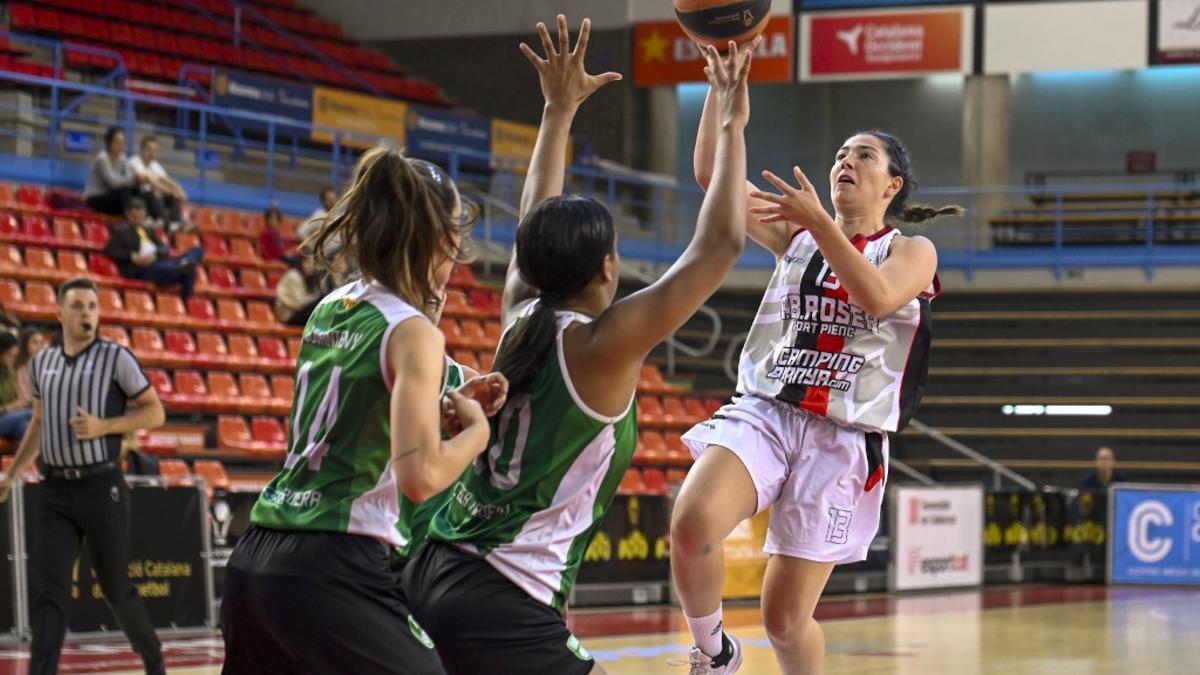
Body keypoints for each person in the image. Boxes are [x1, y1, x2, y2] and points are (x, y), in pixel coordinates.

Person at [403, 16, 753, 675]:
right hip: (501, 599)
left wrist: (557, 111)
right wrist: (733, 117)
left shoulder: (521, 313)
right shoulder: (600, 346)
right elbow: (720, 245)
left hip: (434, 567)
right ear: (605, 270)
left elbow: (536, 213)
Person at [669, 78, 962, 670]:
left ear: (892, 185)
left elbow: (877, 296)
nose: (845, 162)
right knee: (693, 522)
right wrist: (723, 97)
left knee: (783, 619)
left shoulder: (913, 251)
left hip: (842, 437)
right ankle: (714, 653)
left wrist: (820, 224)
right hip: (770, 410)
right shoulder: (798, 234)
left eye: (863, 156)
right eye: (839, 155)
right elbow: (711, 176)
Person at [219, 147, 507, 675]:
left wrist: (449, 388)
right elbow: (420, 478)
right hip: (332, 564)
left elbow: (361, 394)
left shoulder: (332, 305)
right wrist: (478, 434)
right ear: (439, 239)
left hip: (257, 555)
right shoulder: (412, 331)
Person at [0, 277, 167, 675]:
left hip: (101, 485)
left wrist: (104, 426)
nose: (86, 313)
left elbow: (155, 412)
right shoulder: (42, 363)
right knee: (50, 592)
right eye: (77, 306)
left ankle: (153, 658)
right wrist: (11, 474)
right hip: (55, 489)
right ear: (60, 313)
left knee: (115, 590)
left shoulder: (116, 358)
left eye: (92, 306)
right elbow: (38, 425)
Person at [102, 197, 205, 301]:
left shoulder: (149, 231)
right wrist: (131, 256)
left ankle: (185, 262)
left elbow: (164, 248)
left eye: (139, 215)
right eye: (133, 215)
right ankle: (186, 300)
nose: (136, 218)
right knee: (189, 271)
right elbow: (109, 250)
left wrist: (155, 255)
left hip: (159, 261)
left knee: (198, 250)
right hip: (145, 269)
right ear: (128, 214)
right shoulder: (121, 232)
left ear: (144, 215)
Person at [129, 134, 190, 231]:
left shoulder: (154, 165)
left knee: (170, 197)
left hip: (150, 198)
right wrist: (170, 191)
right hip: (136, 197)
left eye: (154, 151)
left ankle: (175, 222)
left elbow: (167, 179)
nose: (152, 153)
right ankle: (163, 221)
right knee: (152, 193)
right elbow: (150, 181)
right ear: (141, 149)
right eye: (148, 150)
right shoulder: (134, 161)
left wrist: (179, 190)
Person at [85, 127, 146, 216]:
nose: (120, 146)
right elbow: (113, 183)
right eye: (117, 143)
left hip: (112, 196)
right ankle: (129, 218)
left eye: (122, 143)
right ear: (109, 143)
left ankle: (147, 218)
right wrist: (134, 178)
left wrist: (138, 180)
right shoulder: (102, 158)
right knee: (124, 192)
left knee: (137, 191)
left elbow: (129, 177)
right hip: (96, 198)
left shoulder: (123, 158)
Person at [274, 246, 325, 326]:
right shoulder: (294, 276)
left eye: (314, 264)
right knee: (322, 300)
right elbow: (299, 303)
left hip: (300, 313)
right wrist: (314, 300)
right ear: (303, 263)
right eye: (309, 263)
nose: (312, 267)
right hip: (289, 315)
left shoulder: (312, 278)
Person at [0, 332, 31, 442]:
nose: (13, 360)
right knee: (31, 414)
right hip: (5, 416)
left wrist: (20, 403)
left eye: (14, 356)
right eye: (10, 356)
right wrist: (7, 408)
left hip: (11, 418)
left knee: (26, 427)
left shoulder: (11, 373)